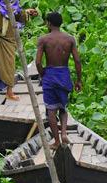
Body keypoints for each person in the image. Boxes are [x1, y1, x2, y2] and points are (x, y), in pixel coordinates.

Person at [36, 12, 83, 148]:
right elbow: (77, 60)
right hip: (64, 74)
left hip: (50, 74)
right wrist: (78, 80)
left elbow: (38, 62)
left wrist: (43, 74)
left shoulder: (43, 40)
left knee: (51, 111)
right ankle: (63, 133)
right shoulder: (70, 39)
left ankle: (56, 141)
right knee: (63, 107)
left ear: (49, 23)